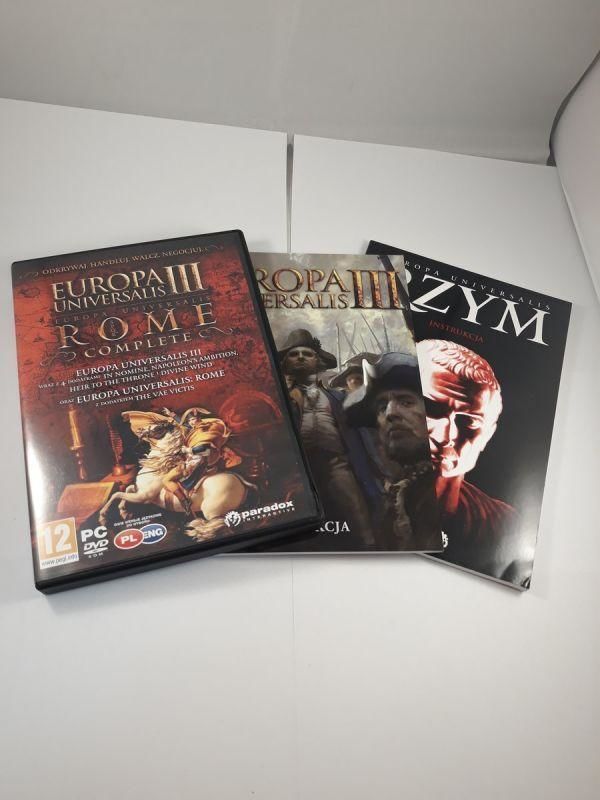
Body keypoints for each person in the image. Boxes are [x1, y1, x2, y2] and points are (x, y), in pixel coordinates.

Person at [416, 339, 526, 583]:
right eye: (430, 409)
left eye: (469, 422)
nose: (445, 436)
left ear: (487, 435)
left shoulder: (503, 523)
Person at [278, 329, 376, 548]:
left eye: (307, 353)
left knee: (359, 518)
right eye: (294, 354)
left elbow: (363, 434)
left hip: (336, 463)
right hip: (297, 469)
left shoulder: (338, 397)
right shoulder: (279, 397)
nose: (301, 357)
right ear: (285, 362)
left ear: (318, 361)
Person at [344, 352, 441, 551]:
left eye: (406, 402)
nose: (390, 414)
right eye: (381, 407)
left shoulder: (456, 493)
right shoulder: (395, 498)